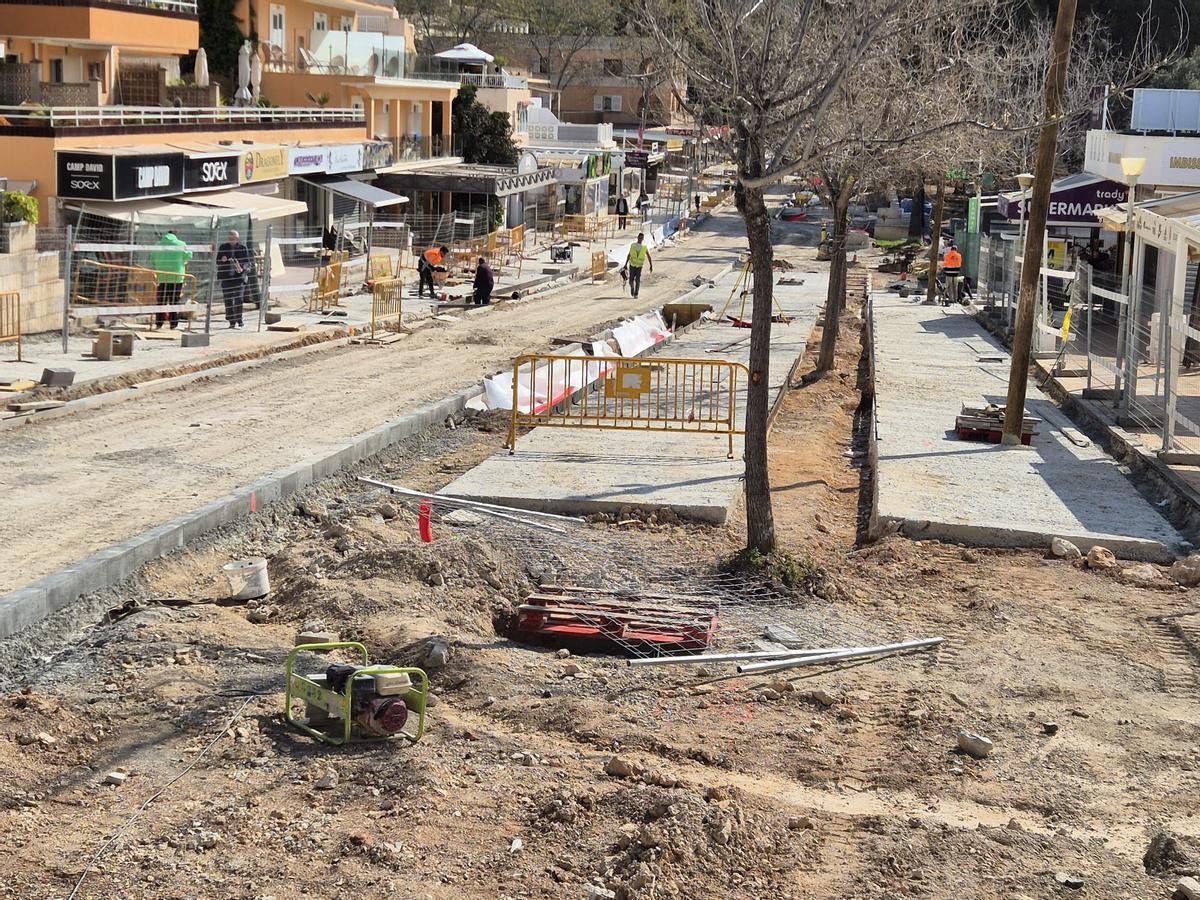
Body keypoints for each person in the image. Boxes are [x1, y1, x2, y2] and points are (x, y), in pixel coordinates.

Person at [149, 230, 193, 330]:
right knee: (174, 301)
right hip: (177, 277)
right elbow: (189, 256)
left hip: (162, 276)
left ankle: (159, 323)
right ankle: (173, 324)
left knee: (161, 301)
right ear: (176, 236)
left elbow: (152, 258)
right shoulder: (181, 244)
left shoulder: (158, 245)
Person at [216, 229, 251, 329]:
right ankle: (231, 320)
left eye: (234, 238)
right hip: (226, 277)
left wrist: (242, 268)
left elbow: (248, 262)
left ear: (237, 238)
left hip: (239, 278)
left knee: (239, 299)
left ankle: (239, 319)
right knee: (228, 300)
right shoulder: (223, 247)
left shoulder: (243, 248)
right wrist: (222, 260)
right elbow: (217, 261)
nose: (232, 239)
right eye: (230, 238)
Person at [624, 232, 653, 299]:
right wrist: (625, 264)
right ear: (637, 237)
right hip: (632, 265)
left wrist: (651, 265)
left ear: (643, 239)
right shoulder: (633, 245)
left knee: (637, 280)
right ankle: (632, 288)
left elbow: (648, 256)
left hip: (639, 266)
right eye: (639, 238)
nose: (640, 239)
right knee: (631, 280)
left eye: (641, 238)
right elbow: (629, 254)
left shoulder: (644, 247)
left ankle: (636, 293)